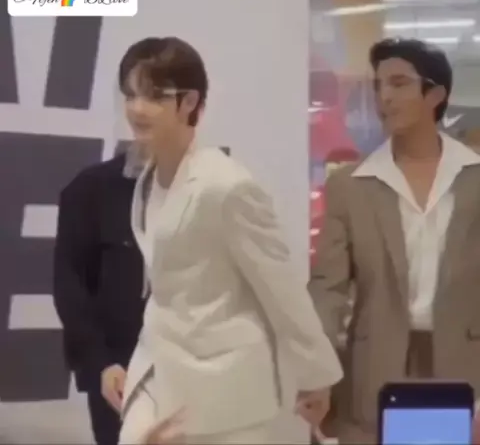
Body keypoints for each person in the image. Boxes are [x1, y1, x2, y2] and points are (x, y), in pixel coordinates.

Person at [116, 36, 343, 444]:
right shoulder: (146, 178)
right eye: (130, 94)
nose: (137, 108)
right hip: (158, 367)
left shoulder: (226, 186)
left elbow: (281, 290)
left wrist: (316, 376)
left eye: (153, 95)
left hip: (226, 388)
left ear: (189, 102)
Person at [308, 37, 480, 444]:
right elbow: (328, 289)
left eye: (399, 83)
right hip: (375, 370)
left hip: (464, 368)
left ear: (435, 94)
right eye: (379, 85)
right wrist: (316, 369)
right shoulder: (350, 185)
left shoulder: (474, 178)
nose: (384, 96)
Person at [53, 143, 148, 445]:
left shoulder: (206, 189)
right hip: (118, 368)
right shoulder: (92, 189)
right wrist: (100, 363)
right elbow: (69, 282)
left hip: (190, 366)